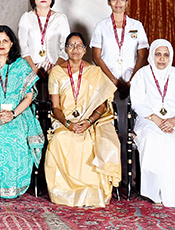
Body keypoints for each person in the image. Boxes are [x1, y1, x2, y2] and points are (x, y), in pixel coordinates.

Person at [44, 32, 120, 207]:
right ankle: (65, 193)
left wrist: (88, 122)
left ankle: (92, 192)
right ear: (65, 49)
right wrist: (69, 124)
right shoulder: (56, 72)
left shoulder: (95, 72)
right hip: (65, 122)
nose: (75, 49)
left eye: (79, 46)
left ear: (85, 50)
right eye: (71, 45)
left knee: (92, 142)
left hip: (90, 122)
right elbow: (55, 107)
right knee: (60, 139)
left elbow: (102, 105)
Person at [0, 25, 43, 201]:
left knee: (17, 135)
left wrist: (12, 114)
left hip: (19, 113)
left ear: (12, 43)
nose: (1, 44)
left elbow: (28, 96)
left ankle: (14, 187)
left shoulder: (21, 66)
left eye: (5, 40)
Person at [129, 38, 175, 207]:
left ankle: (171, 187)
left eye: (166, 55)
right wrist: (157, 120)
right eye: (158, 54)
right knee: (156, 139)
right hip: (149, 120)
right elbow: (137, 103)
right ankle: (157, 190)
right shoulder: (142, 74)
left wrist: (174, 120)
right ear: (152, 55)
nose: (162, 59)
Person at [90, 0, 148, 145]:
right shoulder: (101, 26)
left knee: (132, 113)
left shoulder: (136, 26)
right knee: (111, 115)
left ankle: (133, 143)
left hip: (131, 78)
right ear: (109, 2)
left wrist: (132, 80)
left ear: (127, 2)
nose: (118, 3)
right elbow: (96, 56)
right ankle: (112, 146)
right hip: (108, 79)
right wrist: (113, 80)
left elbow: (142, 56)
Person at [18, 0, 70, 74]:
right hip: (31, 68)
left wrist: (54, 69)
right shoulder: (26, 17)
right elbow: (23, 47)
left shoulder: (61, 18)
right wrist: (34, 69)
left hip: (56, 67)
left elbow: (65, 47)